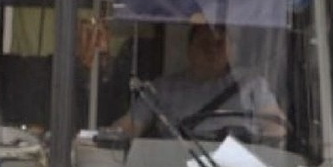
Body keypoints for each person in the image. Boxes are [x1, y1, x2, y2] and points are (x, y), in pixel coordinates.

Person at [112, 22, 287, 142]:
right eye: (204, 43)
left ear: (231, 51)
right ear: (190, 49)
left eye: (219, 44)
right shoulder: (163, 88)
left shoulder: (253, 85)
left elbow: (276, 128)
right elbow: (130, 126)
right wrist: (105, 137)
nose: (211, 50)